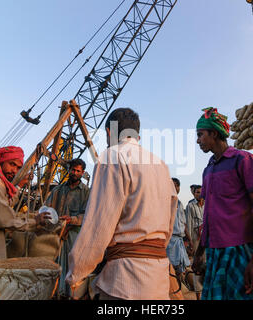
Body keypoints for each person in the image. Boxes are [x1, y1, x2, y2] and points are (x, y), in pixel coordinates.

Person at [66, 108, 178, 300]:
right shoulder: (161, 165)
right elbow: (170, 218)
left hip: (125, 281)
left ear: (110, 132)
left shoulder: (112, 156)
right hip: (158, 276)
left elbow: (98, 226)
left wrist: (76, 273)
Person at [192, 107, 253, 300]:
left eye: (200, 135)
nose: (198, 140)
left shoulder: (243, 160)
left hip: (239, 250)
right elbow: (209, 216)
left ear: (214, 133)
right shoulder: (208, 169)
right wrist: (200, 252)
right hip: (215, 252)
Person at [44, 158, 90, 298]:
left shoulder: (86, 192)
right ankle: (53, 294)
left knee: (73, 266)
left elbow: (87, 214)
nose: (74, 173)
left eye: (78, 171)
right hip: (56, 235)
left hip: (74, 235)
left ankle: (70, 295)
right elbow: (47, 207)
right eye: (73, 170)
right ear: (69, 170)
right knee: (53, 265)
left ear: (82, 173)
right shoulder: (58, 190)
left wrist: (72, 220)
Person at [166, 178, 191, 282]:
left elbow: (183, 224)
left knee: (181, 269)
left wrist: (189, 239)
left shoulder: (180, 204)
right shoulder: (164, 202)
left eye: (177, 185)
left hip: (179, 240)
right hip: (170, 240)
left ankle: (178, 293)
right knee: (170, 269)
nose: (175, 188)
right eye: (173, 185)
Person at [185, 184, 204, 299]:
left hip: (207, 240)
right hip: (196, 240)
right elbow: (189, 225)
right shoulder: (190, 206)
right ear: (194, 193)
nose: (199, 194)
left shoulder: (207, 205)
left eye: (201, 192)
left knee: (208, 265)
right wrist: (191, 243)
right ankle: (198, 295)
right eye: (197, 192)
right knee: (198, 265)